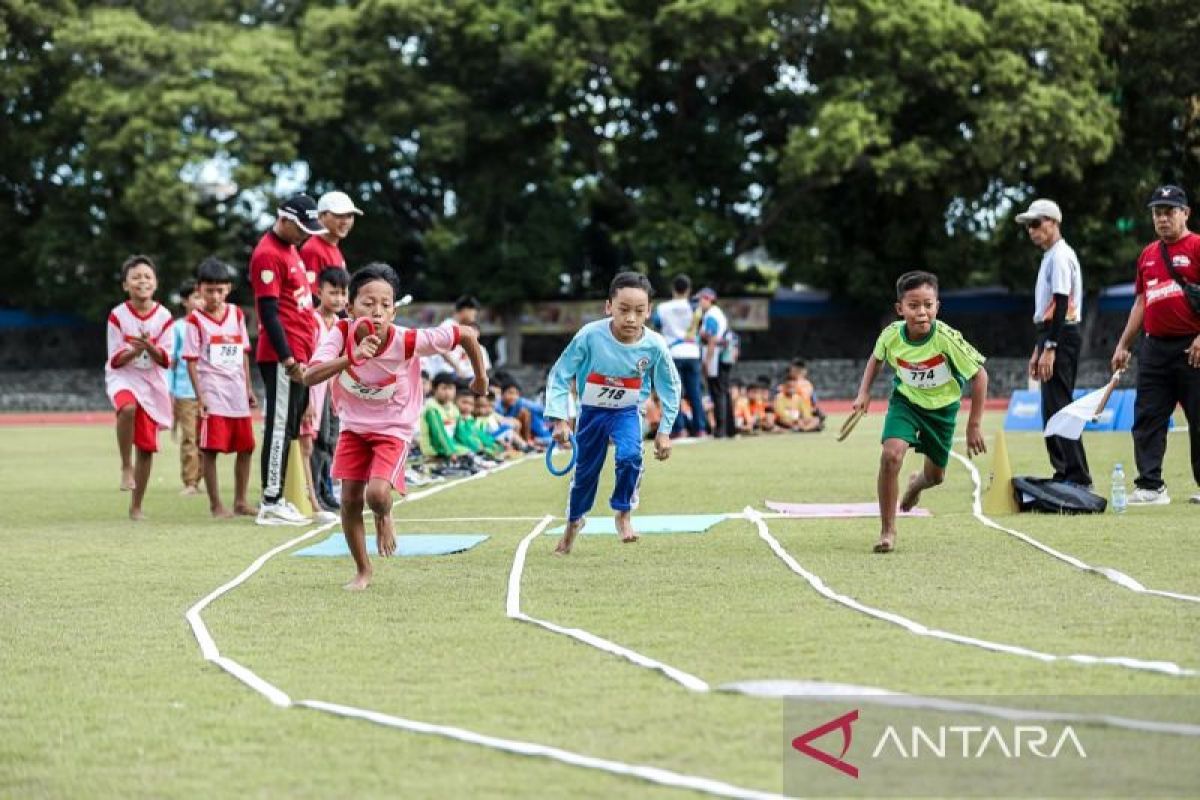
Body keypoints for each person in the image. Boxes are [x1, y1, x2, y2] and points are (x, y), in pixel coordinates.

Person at [304, 263, 488, 590]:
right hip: (353, 428)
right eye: (368, 303)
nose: (377, 311)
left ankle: (384, 514)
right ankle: (363, 570)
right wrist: (352, 357)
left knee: (376, 494)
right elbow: (309, 375)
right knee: (349, 500)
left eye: (385, 305)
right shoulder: (341, 334)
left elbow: (466, 335)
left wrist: (480, 379)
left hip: (394, 429)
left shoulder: (408, 340)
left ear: (394, 311)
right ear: (350, 308)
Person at [852, 270, 988, 553]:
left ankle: (916, 485)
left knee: (936, 476)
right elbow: (876, 359)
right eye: (913, 306)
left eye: (928, 305)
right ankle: (888, 531)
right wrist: (864, 392)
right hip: (906, 403)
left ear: (937, 306)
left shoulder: (946, 338)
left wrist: (974, 424)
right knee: (891, 455)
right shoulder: (891, 336)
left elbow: (980, 376)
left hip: (942, 411)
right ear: (900, 309)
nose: (922, 312)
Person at [545, 271, 681, 554]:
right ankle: (573, 524)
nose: (631, 318)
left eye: (639, 311)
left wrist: (665, 430)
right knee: (585, 474)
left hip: (628, 412)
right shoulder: (589, 336)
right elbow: (560, 374)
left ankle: (623, 513)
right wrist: (559, 419)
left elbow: (670, 387)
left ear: (649, 312)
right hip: (592, 413)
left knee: (630, 456)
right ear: (609, 307)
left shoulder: (655, 344)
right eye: (623, 310)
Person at [1111, 185, 1200, 505]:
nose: (1162, 218)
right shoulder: (1148, 255)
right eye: (1157, 213)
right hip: (1154, 349)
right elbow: (1140, 303)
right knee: (1148, 417)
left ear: (1185, 213)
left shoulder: (1197, 246)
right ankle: (1151, 486)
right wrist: (1123, 344)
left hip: (1194, 349)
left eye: (1169, 211)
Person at [250, 193, 326, 526]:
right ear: (284, 219)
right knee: (279, 425)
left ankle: (281, 496)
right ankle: (270, 501)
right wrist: (288, 357)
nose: (306, 235)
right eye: (302, 228)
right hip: (283, 356)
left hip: (300, 353)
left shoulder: (290, 249)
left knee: (292, 425)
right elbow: (268, 313)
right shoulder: (267, 254)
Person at [1015, 198, 1091, 487]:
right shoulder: (1051, 255)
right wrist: (1039, 347)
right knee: (1052, 408)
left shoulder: (1060, 255)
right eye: (1028, 226)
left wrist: (1050, 347)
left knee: (1060, 407)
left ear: (1054, 222)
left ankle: (1077, 476)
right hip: (1052, 332)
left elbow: (1062, 304)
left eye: (1036, 224)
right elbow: (1049, 309)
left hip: (1062, 333)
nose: (1031, 231)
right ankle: (1064, 472)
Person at [183, 257, 257, 518]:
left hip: (236, 391)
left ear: (228, 288)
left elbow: (243, 354)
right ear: (199, 289)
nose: (215, 296)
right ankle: (216, 505)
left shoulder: (236, 314)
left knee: (247, 447)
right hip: (212, 391)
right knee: (211, 450)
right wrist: (200, 395)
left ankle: (240, 501)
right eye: (209, 290)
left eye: (220, 290)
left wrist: (248, 388)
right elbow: (191, 361)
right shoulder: (195, 321)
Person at [104, 255, 174, 520]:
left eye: (147, 277)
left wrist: (150, 348)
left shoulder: (164, 316)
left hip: (151, 383)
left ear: (155, 283)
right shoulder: (117, 316)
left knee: (146, 447)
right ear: (125, 285)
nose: (142, 281)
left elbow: (166, 360)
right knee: (127, 408)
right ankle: (125, 466)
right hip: (123, 378)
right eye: (136, 277)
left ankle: (136, 506)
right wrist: (135, 349)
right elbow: (115, 359)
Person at [299, 267, 349, 522]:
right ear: (318, 292)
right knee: (316, 443)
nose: (339, 299)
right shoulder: (311, 321)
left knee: (331, 441)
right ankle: (315, 492)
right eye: (333, 293)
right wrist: (307, 398)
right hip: (314, 390)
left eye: (343, 293)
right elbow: (308, 362)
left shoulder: (341, 325)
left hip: (332, 390)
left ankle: (327, 490)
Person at [652, 274, 707, 437]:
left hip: (673, 353)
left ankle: (679, 429)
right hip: (692, 352)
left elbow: (657, 325)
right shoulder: (696, 307)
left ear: (673, 289)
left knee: (674, 393)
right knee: (695, 392)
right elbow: (700, 327)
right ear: (689, 290)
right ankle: (700, 428)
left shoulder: (663, 307)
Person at [169, 280, 203, 495]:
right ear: (185, 301)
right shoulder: (178, 328)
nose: (200, 302)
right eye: (196, 297)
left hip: (209, 392)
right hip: (185, 391)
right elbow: (171, 362)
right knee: (190, 438)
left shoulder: (210, 325)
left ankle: (202, 477)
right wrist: (170, 391)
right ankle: (190, 482)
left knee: (206, 439)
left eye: (202, 296)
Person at [300, 190, 360, 295]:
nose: (345, 221)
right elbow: (312, 297)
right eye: (339, 215)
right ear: (320, 216)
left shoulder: (333, 248)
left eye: (349, 216)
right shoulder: (313, 250)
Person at [422, 295, 491, 380]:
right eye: (473, 314)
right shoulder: (448, 325)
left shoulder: (459, 326)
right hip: (445, 372)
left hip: (455, 372)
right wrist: (457, 368)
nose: (474, 318)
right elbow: (442, 350)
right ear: (465, 310)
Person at [696, 287, 734, 437]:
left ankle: (721, 429)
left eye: (701, 299)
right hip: (722, 355)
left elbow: (711, 339)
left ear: (709, 299)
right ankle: (729, 428)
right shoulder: (717, 313)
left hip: (716, 356)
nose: (699, 303)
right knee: (723, 391)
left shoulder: (711, 315)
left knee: (717, 392)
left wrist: (707, 360)